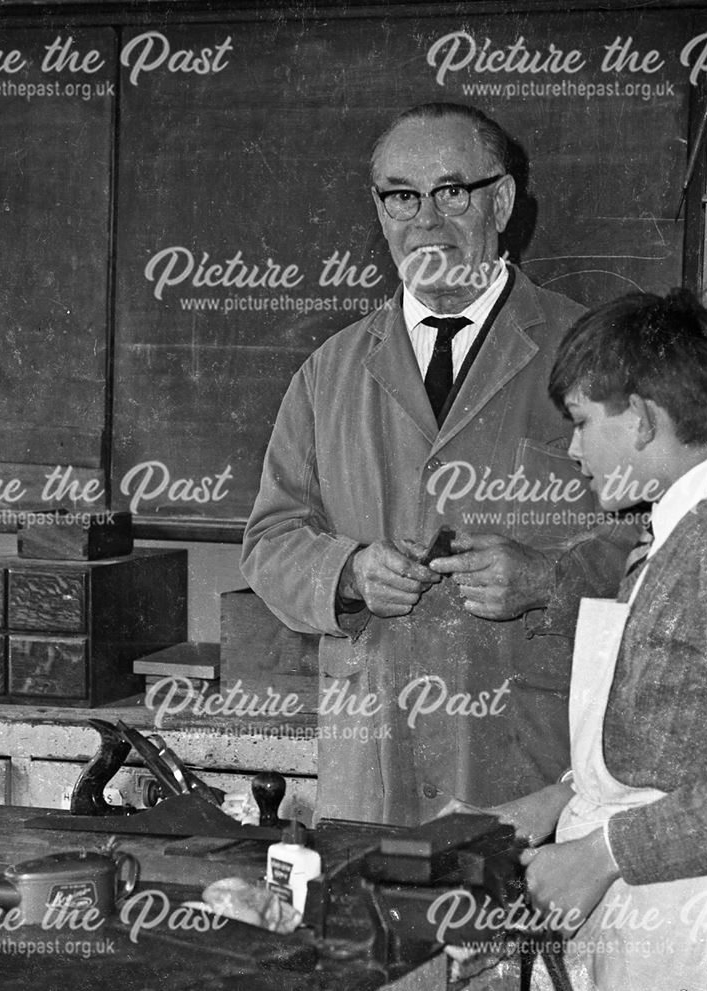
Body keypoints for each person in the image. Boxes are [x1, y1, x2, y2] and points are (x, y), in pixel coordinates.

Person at [240, 102, 633, 827]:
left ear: (502, 202)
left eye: (452, 192)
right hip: (374, 772)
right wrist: (349, 571)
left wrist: (550, 579)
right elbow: (270, 543)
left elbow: (659, 545)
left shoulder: (594, 353)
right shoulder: (328, 372)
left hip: (534, 776)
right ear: (380, 209)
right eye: (401, 196)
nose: (425, 219)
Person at [449, 289, 707, 990]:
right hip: (651, 900)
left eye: (583, 423)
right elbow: (674, 735)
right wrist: (551, 802)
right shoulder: (673, 535)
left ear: (645, 421)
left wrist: (601, 855)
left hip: (696, 912)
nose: (572, 449)